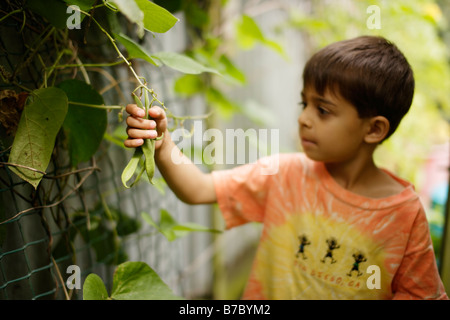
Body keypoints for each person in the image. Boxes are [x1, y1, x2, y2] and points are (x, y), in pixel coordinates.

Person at [124, 35, 448, 300]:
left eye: (323, 110)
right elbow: (198, 189)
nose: (304, 118)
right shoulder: (285, 175)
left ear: (374, 129)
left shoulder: (404, 214)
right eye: (303, 103)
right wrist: (163, 144)